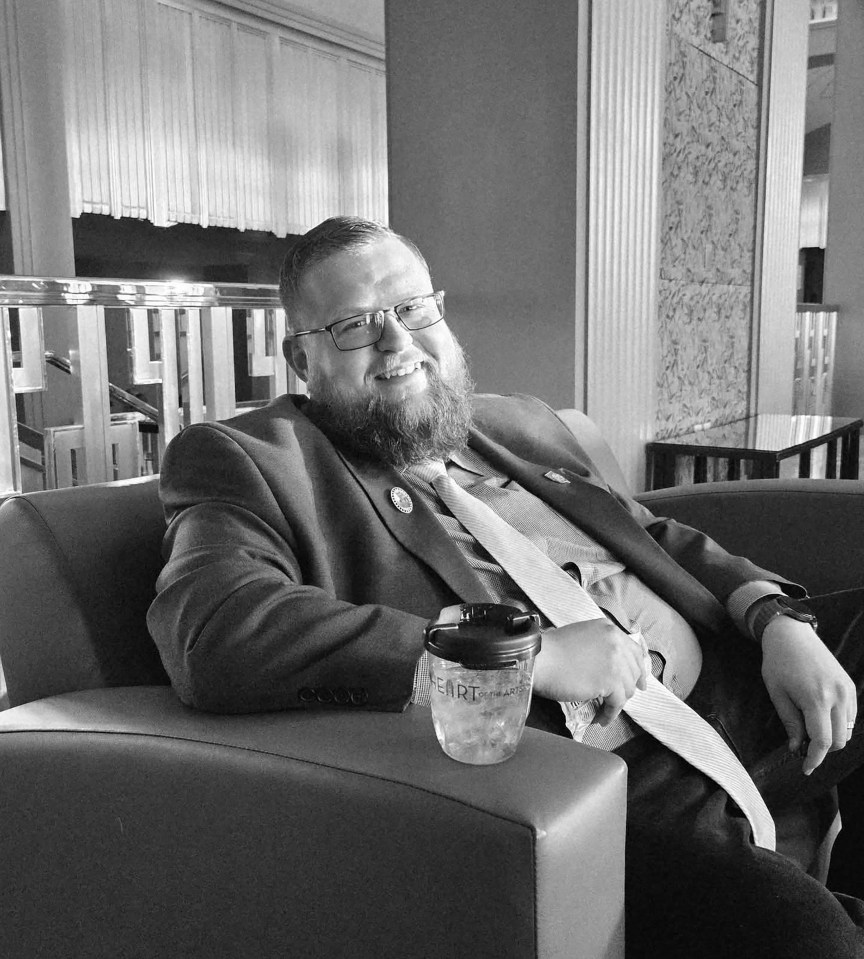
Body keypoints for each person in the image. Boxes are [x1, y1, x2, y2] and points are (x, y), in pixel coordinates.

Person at [148, 216, 864, 958]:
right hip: (610, 767)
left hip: (731, 681)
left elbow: (652, 535)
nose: (398, 343)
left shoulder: (516, 424)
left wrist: (778, 619)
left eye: (414, 308)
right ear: (304, 359)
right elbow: (216, 628)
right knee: (809, 942)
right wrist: (520, 655)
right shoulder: (245, 458)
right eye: (357, 326)